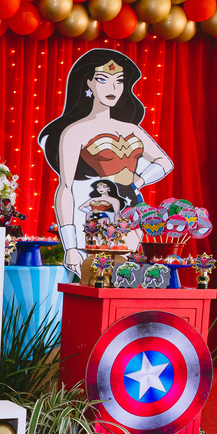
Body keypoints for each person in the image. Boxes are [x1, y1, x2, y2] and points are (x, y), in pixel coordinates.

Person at [38, 49, 173, 276]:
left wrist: (138, 181)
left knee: (124, 271)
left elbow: (164, 162)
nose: (112, 88)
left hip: (131, 208)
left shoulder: (132, 130)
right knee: (96, 277)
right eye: (102, 79)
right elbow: (66, 187)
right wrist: (70, 245)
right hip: (92, 210)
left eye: (118, 81)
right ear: (88, 83)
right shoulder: (74, 131)